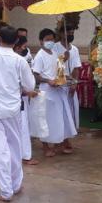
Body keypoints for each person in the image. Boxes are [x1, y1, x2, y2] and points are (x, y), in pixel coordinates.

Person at [0, 26, 38, 202]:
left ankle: (6, 190)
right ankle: (15, 185)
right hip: (13, 109)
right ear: (16, 41)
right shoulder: (19, 61)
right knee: (15, 147)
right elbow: (30, 86)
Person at [32, 28, 77, 156]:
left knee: (58, 119)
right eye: (47, 40)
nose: (50, 42)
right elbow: (36, 75)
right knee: (45, 119)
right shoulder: (40, 55)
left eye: (52, 39)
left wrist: (64, 62)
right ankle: (45, 146)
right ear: (41, 41)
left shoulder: (54, 53)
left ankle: (58, 142)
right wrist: (48, 81)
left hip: (58, 91)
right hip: (47, 92)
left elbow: (58, 70)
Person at [13, 35, 35, 166]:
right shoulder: (20, 61)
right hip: (19, 98)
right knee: (23, 128)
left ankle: (16, 155)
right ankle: (25, 156)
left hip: (6, 101)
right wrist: (28, 91)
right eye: (24, 46)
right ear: (17, 47)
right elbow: (29, 84)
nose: (25, 49)